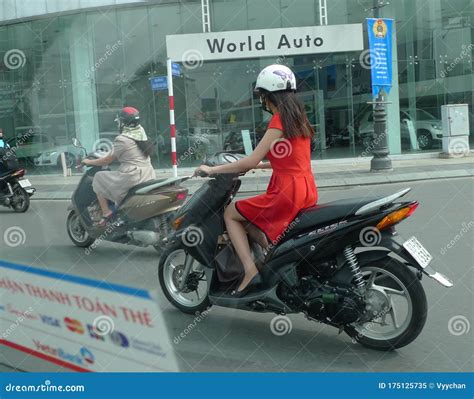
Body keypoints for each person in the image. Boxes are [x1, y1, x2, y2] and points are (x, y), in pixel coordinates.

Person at [194, 65, 318, 297]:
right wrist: (262, 165)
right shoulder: (298, 118)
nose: (262, 100)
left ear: (267, 95)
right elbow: (292, 158)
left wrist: (212, 169)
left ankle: (250, 271)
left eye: (262, 95)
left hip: (286, 191)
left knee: (230, 212)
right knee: (248, 218)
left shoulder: (279, 120)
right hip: (306, 188)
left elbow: (248, 161)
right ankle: (272, 256)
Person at [83, 107, 156, 226]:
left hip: (132, 176)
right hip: (148, 174)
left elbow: (107, 160)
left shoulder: (122, 139)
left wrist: (88, 162)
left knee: (99, 177)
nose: (118, 124)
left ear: (123, 123)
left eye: (119, 121)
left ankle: (106, 212)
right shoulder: (141, 133)